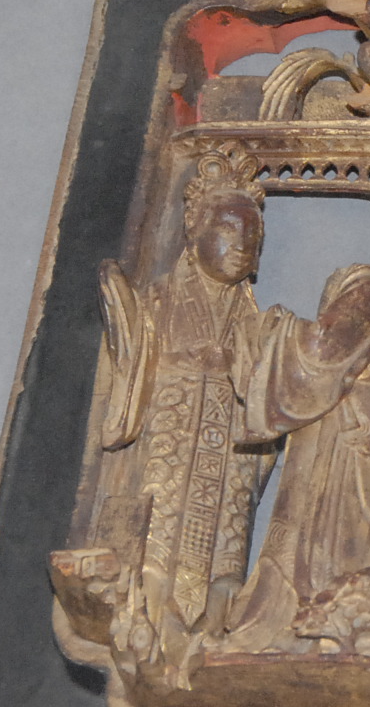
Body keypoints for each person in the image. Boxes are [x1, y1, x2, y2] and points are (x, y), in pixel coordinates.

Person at [97, 148, 273, 670]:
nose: (242, 243)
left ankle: (213, 625)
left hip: (229, 458)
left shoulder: (256, 325)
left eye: (253, 235)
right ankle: (148, 618)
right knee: (157, 542)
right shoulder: (157, 302)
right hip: (170, 448)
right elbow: (131, 378)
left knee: (226, 551)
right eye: (229, 227)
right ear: (193, 230)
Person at [221, 265, 370, 654]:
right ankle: (294, 619)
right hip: (330, 430)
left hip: (350, 438)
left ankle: (325, 618)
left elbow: (324, 352)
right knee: (301, 534)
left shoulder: (368, 289)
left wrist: (272, 330)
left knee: (331, 536)